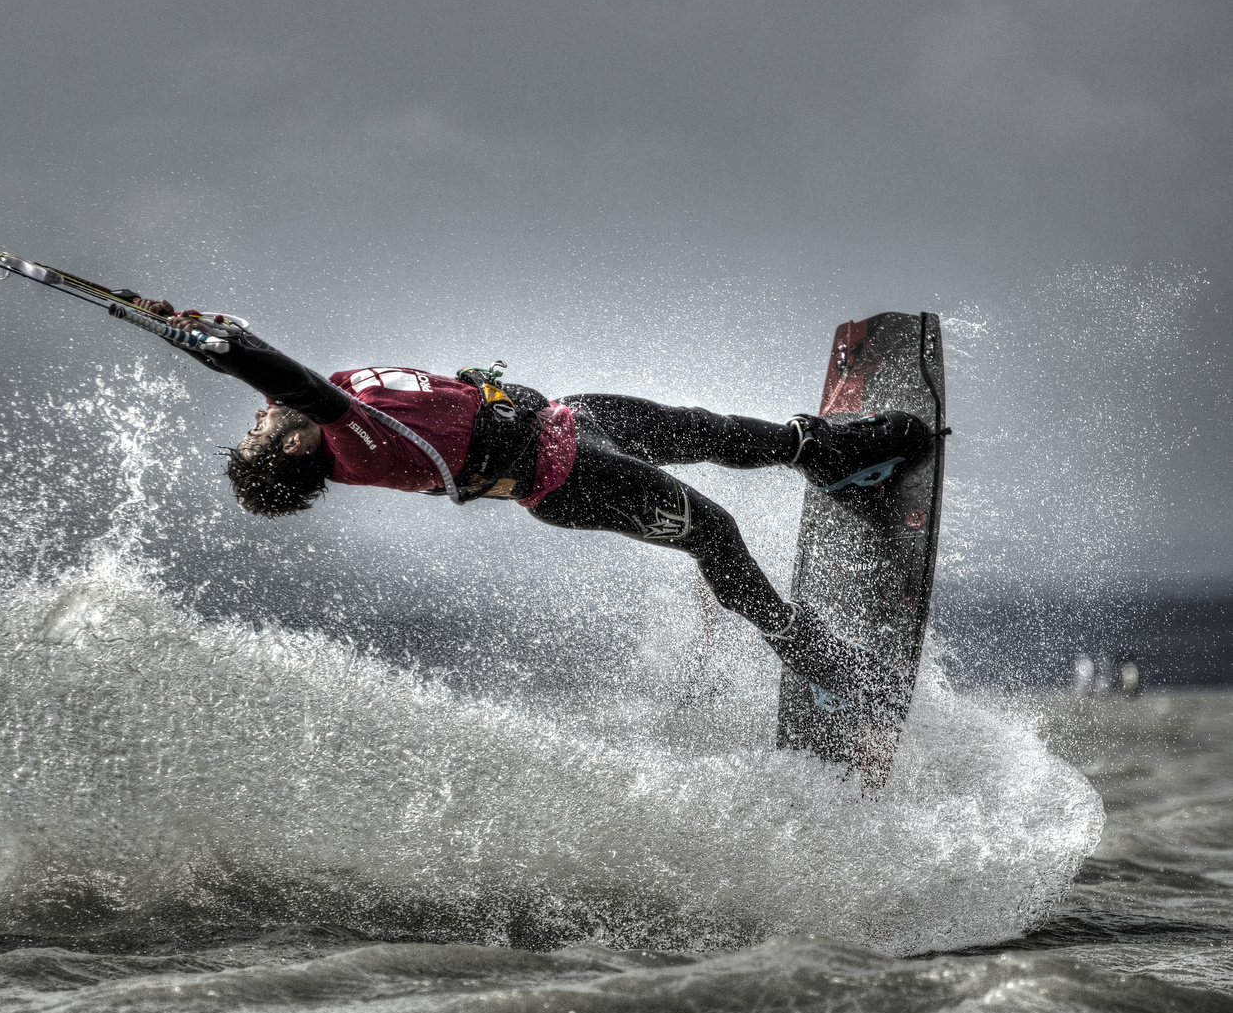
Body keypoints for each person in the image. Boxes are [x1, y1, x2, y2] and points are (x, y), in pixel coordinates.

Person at [124, 296, 930, 711]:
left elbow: (254, 346)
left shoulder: (333, 402)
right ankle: (813, 659)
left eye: (260, 419)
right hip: (566, 480)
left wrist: (179, 321)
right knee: (714, 534)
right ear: (295, 449)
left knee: (711, 430)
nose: (264, 418)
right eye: (264, 428)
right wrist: (223, 356)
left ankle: (830, 456)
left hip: (569, 420)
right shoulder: (347, 441)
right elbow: (279, 377)